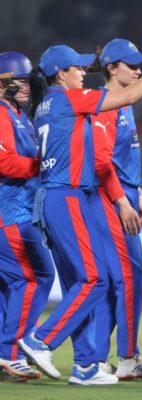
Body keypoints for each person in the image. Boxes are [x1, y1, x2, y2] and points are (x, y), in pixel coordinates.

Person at [17, 38, 142, 385]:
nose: (82, 73)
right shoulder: (69, 99)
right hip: (68, 196)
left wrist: (135, 195)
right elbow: (129, 98)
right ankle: (41, 340)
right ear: (60, 74)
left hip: (53, 198)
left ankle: (86, 365)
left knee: (80, 281)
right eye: (76, 68)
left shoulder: (44, 105)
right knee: (94, 279)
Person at [85, 38, 142, 380]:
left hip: (126, 194)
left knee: (117, 278)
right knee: (130, 275)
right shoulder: (106, 105)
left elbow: (123, 158)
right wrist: (122, 201)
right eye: (131, 65)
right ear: (112, 68)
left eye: (139, 65)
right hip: (110, 198)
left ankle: (99, 357)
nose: (137, 70)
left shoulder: (124, 105)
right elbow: (102, 164)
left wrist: (139, 195)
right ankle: (125, 356)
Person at [0, 53, 55, 381]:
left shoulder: (19, 115)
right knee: (35, 276)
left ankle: (5, 355)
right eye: (19, 80)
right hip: (9, 213)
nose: (26, 86)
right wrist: (43, 166)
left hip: (16, 210)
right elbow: (4, 162)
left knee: (8, 286)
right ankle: (9, 352)